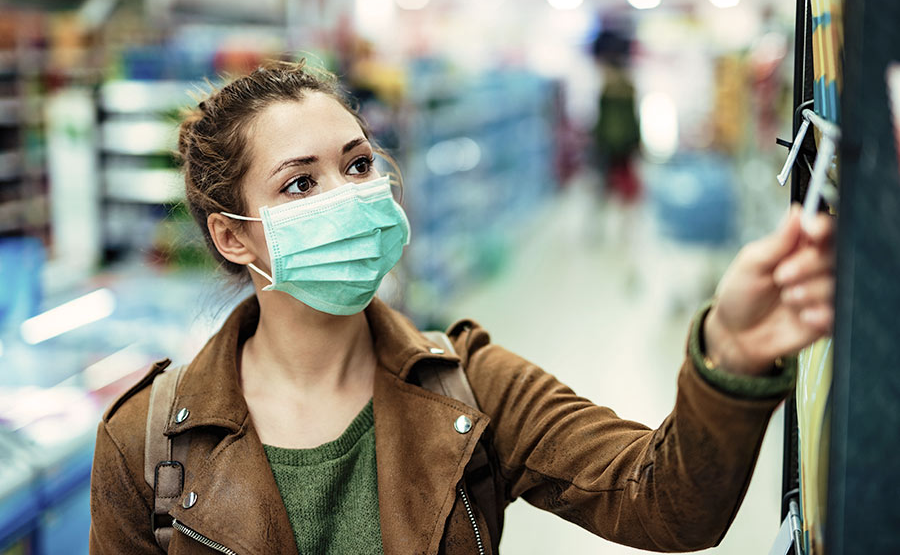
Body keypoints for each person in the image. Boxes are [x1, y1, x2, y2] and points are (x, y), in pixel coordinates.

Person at [88, 61, 835, 554]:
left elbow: (667, 502)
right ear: (232, 237)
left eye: (356, 164)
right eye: (299, 185)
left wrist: (729, 357)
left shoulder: (469, 386)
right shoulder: (148, 441)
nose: (350, 195)